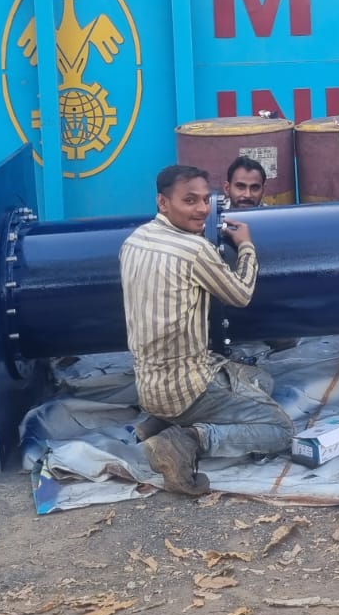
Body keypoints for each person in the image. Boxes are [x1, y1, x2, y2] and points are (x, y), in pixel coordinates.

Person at [119, 163, 294, 495]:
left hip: (148, 387)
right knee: (280, 428)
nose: (201, 210)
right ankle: (189, 439)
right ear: (162, 202)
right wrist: (245, 245)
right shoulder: (195, 249)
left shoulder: (134, 240)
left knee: (263, 381)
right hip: (189, 389)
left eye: (205, 200)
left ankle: (157, 423)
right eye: (189, 201)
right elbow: (240, 294)